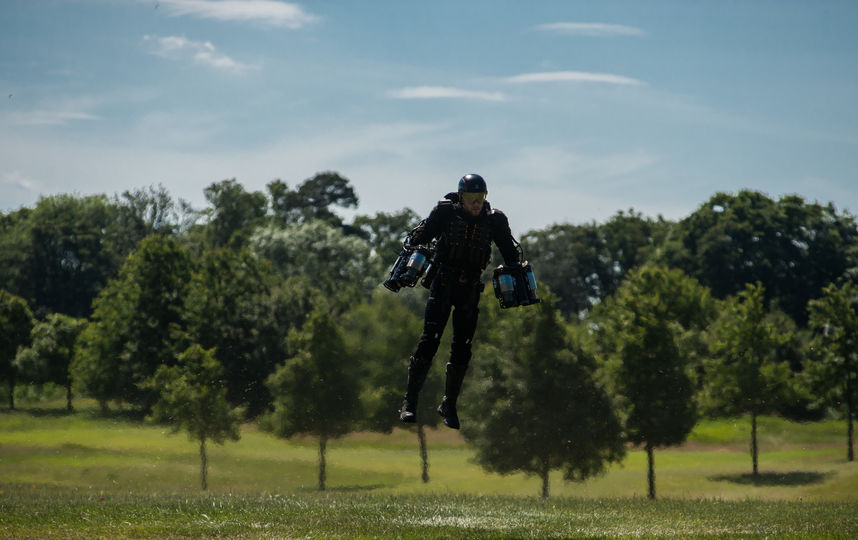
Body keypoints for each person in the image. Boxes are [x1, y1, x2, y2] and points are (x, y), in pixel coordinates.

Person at [396, 173, 520, 429]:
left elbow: (511, 255)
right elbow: (417, 240)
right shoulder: (445, 213)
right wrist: (413, 261)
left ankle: (449, 404)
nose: (476, 204)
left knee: (462, 347)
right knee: (430, 340)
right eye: (472, 198)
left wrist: (516, 274)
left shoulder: (494, 220)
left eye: (481, 198)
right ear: (461, 197)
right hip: (443, 284)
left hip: (470, 289)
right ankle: (410, 401)